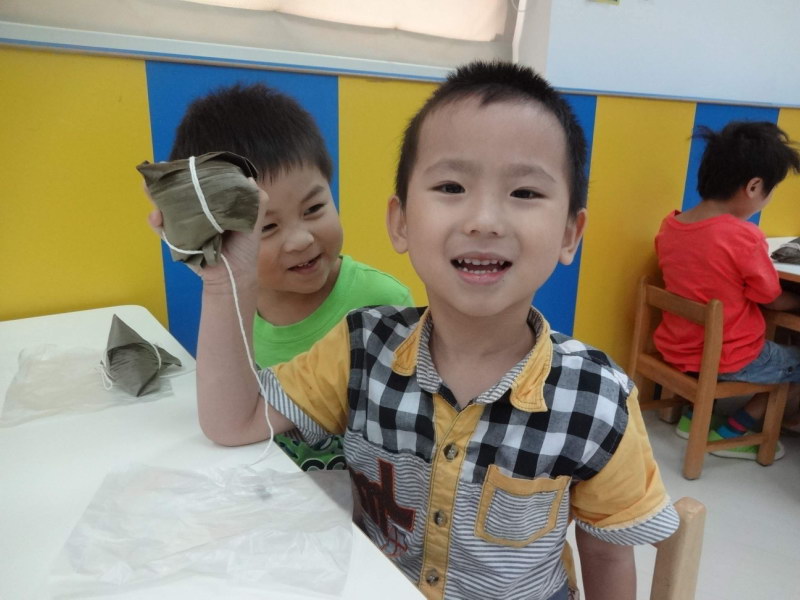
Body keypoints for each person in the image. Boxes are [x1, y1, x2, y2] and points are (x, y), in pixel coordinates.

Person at [179, 61, 679, 600]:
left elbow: (606, 556)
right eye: (451, 186)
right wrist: (225, 280)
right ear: (401, 222)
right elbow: (232, 422)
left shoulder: (598, 401)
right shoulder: (359, 348)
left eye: (525, 193)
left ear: (569, 234)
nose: (484, 220)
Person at [165, 83, 413, 470]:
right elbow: (226, 422)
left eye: (314, 208)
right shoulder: (237, 309)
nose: (300, 239)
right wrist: (222, 285)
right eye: (267, 227)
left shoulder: (381, 303)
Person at [654, 120, 800, 459]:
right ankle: (736, 431)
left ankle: (693, 418)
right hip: (728, 356)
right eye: (771, 190)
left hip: (680, 346)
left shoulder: (672, 225)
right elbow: (770, 298)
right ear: (754, 186)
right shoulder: (743, 237)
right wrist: (795, 300)